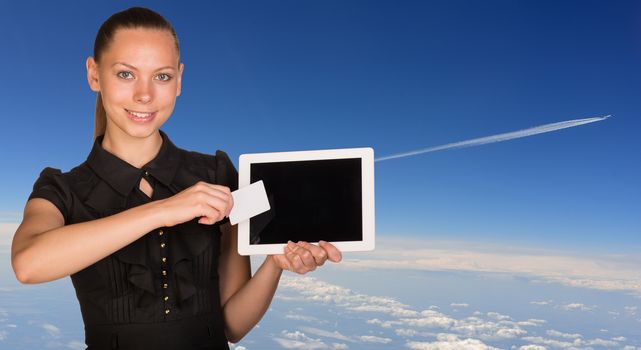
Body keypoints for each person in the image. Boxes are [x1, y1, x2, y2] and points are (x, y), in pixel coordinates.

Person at [10, 6, 342, 350]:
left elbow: (231, 326)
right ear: (94, 74)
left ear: (180, 80)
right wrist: (163, 210)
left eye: (162, 76)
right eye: (126, 74)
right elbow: (28, 264)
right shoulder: (61, 188)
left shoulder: (217, 174)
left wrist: (274, 264)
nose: (145, 94)